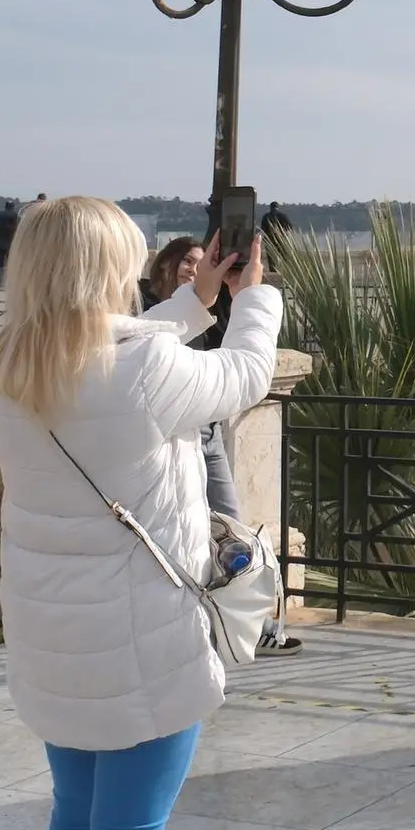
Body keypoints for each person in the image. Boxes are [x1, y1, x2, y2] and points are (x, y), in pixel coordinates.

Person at [0, 197, 282, 830]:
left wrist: (195, 298)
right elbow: (243, 376)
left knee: (77, 819)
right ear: (107, 267)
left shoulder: (6, 363)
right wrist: (254, 298)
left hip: (53, 638)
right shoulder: (143, 367)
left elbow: (101, 349)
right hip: (142, 642)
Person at [136, 235, 301, 659]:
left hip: (205, 433)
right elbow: (243, 372)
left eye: (200, 261)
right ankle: (223, 627)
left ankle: (249, 624)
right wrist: (252, 295)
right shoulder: (141, 334)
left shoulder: (15, 365)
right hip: (177, 435)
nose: (194, 268)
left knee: (231, 530)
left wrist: (206, 297)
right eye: (187, 262)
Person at [0, 201, 20, 284]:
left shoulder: (0, 215)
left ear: (5, 206)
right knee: (12, 263)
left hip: (0, 243)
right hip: (12, 243)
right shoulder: (16, 216)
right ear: (13, 207)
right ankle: (11, 282)